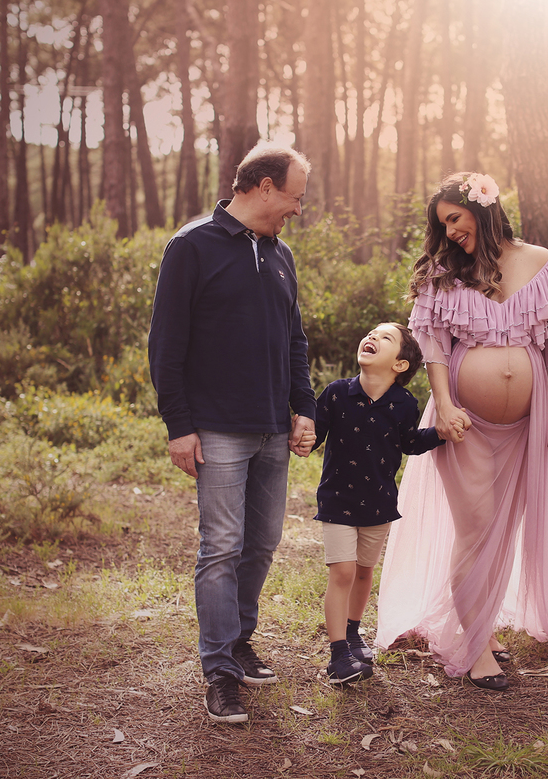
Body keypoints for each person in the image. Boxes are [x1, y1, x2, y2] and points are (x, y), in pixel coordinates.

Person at [375, 172, 548, 691]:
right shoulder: (445, 272)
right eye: (442, 224)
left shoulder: (545, 264)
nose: (448, 233)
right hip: (463, 423)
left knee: (503, 527)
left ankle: (482, 624)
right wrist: (444, 407)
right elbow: (433, 348)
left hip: (527, 425)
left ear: (483, 209)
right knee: (476, 525)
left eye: (455, 218)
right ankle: (473, 651)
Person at [147, 142, 317, 724]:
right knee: (221, 547)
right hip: (216, 428)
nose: (298, 207)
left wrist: (305, 408)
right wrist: (179, 426)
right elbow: (165, 345)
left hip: (273, 427)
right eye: (295, 196)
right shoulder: (191, 246)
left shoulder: (282, 255)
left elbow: (294, 340)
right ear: (264, 186)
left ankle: (239, 639)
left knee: (262, 542)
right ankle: (219, 670)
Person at [295, 322, 446, 686]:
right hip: (337, 499)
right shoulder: (336, 394)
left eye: (386, 338)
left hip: (379, 503)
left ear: (400, 365)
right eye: (372, 334)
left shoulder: (404, 404)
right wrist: (302, 438)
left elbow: (409, 442)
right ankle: (337, 655)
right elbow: (315, 433)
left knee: (364, 571)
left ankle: (352, 632)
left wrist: (440, 434)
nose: (373, 338)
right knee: (342, 572)